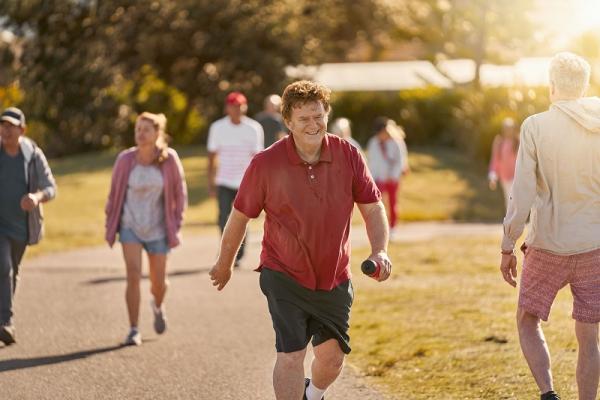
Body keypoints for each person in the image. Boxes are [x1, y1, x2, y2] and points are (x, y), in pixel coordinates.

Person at [209, 80, 392, 400]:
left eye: (318, 116)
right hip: (283, 273)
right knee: (291, 354)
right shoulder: (266, 163)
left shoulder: (348, 154)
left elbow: (373, 207)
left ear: (327, 115)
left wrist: (380, 251)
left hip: (334, 276)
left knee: (332, 358)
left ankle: (313, 394)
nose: (313, 124)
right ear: (288, 122)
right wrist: (224, 264)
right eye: (304, 118)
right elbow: (239, 217)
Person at [500, 52, 600, 400]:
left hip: (547, 245)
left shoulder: (535, 126)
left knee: (526, 319)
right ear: (584, 86)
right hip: (593, 245)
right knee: (590, 338)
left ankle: (548, 393)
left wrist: (508, 244)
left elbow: (522, 193)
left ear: (552, 86)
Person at [105, 112, 187, 346]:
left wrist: (176, 223)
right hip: (130, 225)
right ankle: (133, 329)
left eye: (146, 130)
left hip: (159, 229)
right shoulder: (125, 159)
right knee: (133, 275)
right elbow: (114, 193)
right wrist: (110, 220)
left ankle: (157, 304)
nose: (140, 134)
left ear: (157, 133)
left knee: (158, 283)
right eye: (138, 129)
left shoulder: (169, 159)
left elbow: (180, 193)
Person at [0, 107, 57, 346]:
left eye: (11, 126)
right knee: (3, 267)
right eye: (3, 125)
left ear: (22, 130)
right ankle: (6, 322)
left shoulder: (33, 155)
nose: (6, 130)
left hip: (22, 228)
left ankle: (4, 320)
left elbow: (51, 187)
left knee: (12, 272)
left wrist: (36, 197)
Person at [207, 92, 263, 267]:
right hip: (224, 181)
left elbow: (258, 160)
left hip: (245, 183)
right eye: (233, 106)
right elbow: (211, 157)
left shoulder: (253, 128)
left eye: (240, 106)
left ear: (245, 107)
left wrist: (258, 185)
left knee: (242, 219)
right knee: (223, 218)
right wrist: (211, 183)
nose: (237, 109)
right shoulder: (217, 128)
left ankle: (238, 255)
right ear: (227, 108)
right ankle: (225, 250)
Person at [366, 117, 409, 235]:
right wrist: (372, 178)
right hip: (379, 178)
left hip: (392, 179)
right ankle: (381, 227)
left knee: (392, 202)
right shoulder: (374, 143)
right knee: (379, 204)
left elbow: (400, 161)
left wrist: (393, 176)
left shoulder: (397, 142)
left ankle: (393, 227)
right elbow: (372, 161)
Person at [488, 117, 519, 208]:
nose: (508, 131)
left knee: (516, 202)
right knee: (509, 201)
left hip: (516, 177)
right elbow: (494, 161)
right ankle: (511, 217)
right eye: (506, 128)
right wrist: (493, 177)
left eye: (510, 128)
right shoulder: (499, 142)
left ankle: (515, 217)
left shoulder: (518, 141)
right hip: (504, 178)